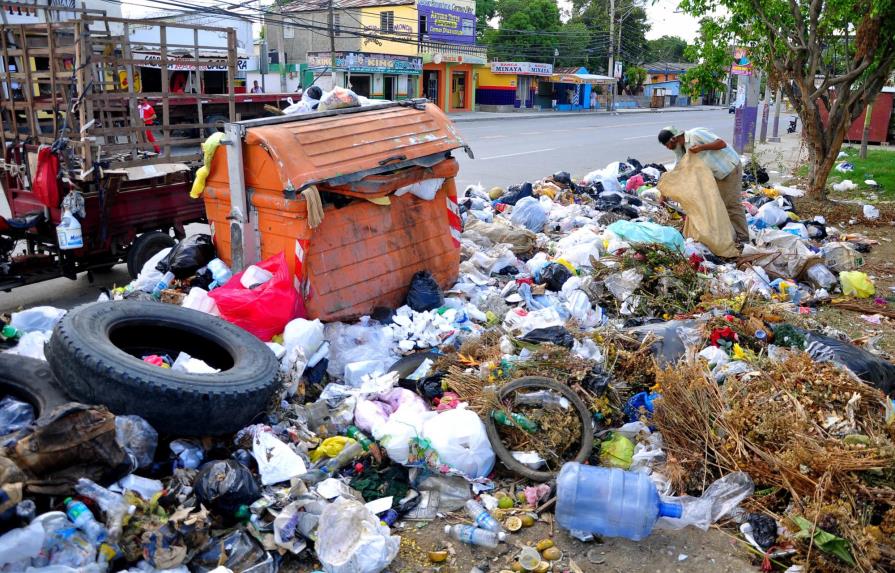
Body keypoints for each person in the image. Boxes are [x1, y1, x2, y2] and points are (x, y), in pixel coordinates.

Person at [657, 126, 748, 244]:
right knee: (715, 205)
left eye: (667, 144)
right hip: (715, 175)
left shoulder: (695, 134)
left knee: (731, 205)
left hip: (728, 168)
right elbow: (677, 170)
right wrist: (664, 194)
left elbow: (721, 143)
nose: (667, 148)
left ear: (673, 139)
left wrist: (701, 148)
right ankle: (725, 236)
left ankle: (743, 237)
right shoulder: (680, 149)